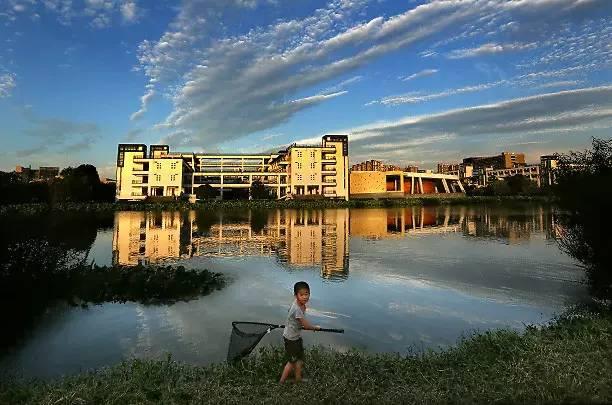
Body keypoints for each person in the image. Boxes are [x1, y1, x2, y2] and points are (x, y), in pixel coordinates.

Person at [279, 281, 320, 384]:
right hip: (291, 339)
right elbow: (306, 326)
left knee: (299, 360)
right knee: (291, 362)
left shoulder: (299, 304)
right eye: (301, 295)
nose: (305, 297)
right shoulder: (297, 309)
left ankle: (298, 379)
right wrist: (315, 327)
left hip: (296, 337)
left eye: (307, 294)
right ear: (296, 295)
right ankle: (281, 382)